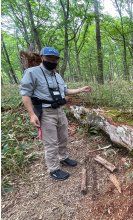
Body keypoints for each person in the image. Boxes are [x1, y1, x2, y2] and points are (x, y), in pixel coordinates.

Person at [19, 46, 91, 181]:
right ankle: (54, 169)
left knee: (63, 137)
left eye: (55, 59)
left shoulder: (57, 75)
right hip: (45, 112)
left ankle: (63, 158)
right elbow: (25, 94)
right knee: (51, 143)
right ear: (42, 57)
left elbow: (65, 91)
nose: (52, 61)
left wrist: (81, 89)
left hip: (59, 110)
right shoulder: (32, 73)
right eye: (49, 58)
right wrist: (32, 115)